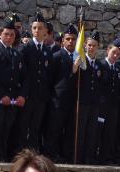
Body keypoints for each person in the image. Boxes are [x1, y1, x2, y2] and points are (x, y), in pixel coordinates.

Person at [0, 17, 27, 161]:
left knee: (7, 129)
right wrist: (1, 95)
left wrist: (22, 95)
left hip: (12, 100)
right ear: (0, 34)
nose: (9, 38)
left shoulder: (16, 53)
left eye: (12, 35)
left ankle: (3, 156)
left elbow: (23, 77)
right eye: (6, 34)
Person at [16, 11, 52, 152]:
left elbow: (48, 75)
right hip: (27, 95)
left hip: (40, 96)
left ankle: (33, 153)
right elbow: (21, 74)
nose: (37, 31)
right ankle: (21, 153)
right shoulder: (25, 48)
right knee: (23, 126)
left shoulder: (47, 51)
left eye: (40, 28)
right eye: (34, 28)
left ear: (45, 31)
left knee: (36, 127)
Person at [44, 23, 77, 163]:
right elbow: (50, 81)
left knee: (69, 131)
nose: (71, 42)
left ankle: (66, 155)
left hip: (72, 101)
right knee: (54, 130)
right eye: (68, 39)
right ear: (63, 40)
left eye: (73, 39)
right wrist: (72, 72)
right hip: (57, 101)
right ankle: (51, 155)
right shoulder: (56, 56)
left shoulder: (79, 58)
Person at [73, 30, 102, 164]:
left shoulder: (100, 65)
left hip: (94, 103)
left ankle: (88, 158)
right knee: (80, 130)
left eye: (94, 45)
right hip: (82, 102)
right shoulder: (81, 61)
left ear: (98, 47)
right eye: (89, 45)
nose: (91, 48)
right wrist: (75, 68)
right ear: (84, 45)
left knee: (91, 131)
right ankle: (77, 158)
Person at [97, 39, 120, 165]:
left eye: (118, 54)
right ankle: (95, 156)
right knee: (98, 132)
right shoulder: (101, 65)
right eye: (113, 52)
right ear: (108, 51)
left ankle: (105, 157)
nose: (115, 56)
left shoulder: (117, 69)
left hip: (113, 107)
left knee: (109, 132)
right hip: (101, 106)